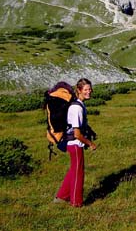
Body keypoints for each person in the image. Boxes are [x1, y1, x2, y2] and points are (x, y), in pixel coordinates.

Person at [54, 78, 97, 207]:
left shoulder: (78, 105)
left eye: (90, 89)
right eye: (86, 90)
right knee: (79, 172)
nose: (89, 92)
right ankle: (76, 202)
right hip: (75, 144)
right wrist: (90, 143)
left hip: (72, 144)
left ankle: (61, 196)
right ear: (79, 90)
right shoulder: (77, 108)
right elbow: (77, 134)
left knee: (74, 169)